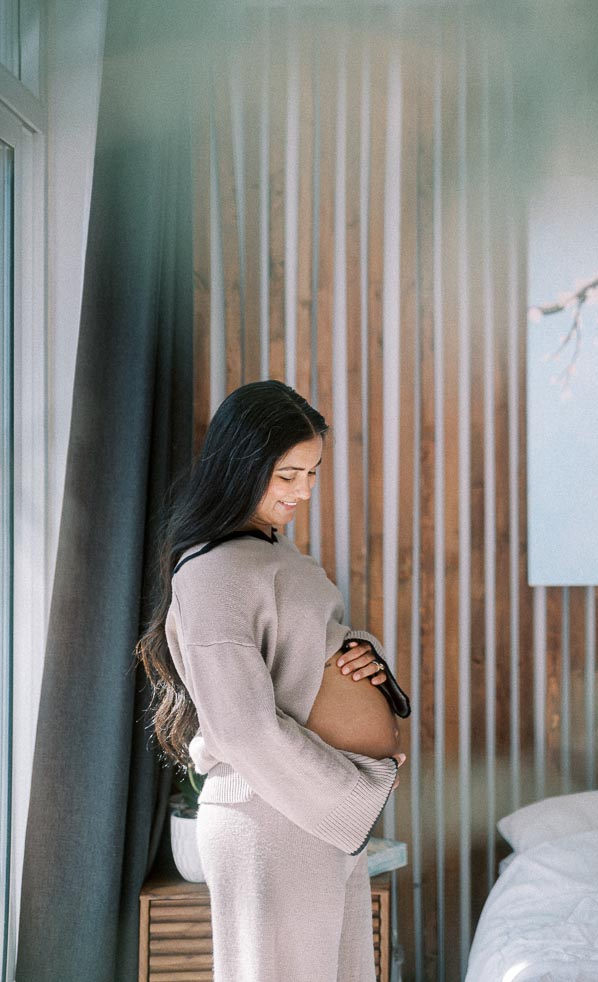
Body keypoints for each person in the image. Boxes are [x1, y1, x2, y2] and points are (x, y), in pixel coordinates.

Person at [136, 380, 410, 982]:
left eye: (312, 473)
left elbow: (302, 653)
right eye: (287, 475)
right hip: (275, 814)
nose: (304, 492)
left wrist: (365, 657)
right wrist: (354, 797)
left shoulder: (268, 554)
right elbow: (242, 728)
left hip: (310, 816)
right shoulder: (211, 571)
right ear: (241, 465)